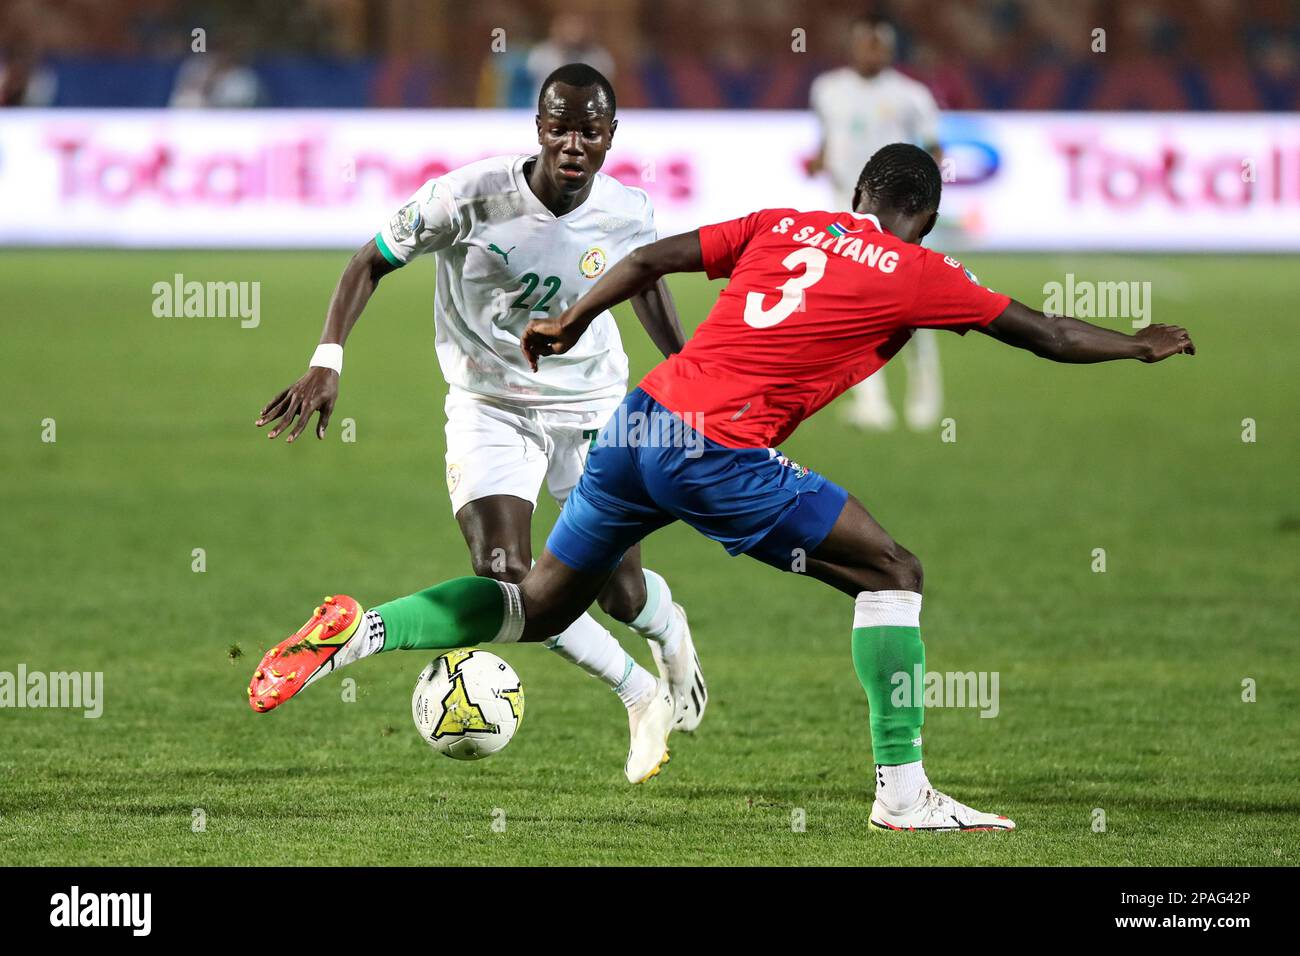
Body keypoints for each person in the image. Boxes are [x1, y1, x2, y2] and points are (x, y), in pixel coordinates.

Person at [248, 144, 1194, 829]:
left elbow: (653, 258)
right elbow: (1047, 334)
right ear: (923, 217)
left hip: (640, 421)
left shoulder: (788, 222)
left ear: (857, 191)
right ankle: (904, 797)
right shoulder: (918, 270)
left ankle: (357, 635)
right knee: (892, 571)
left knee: (534, 607)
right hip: (716, 451)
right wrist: (1140, 345)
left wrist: (574, 320)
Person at [253, 64, 707, 785]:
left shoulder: (628, 211)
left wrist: (692, 374)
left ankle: (670, 635)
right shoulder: (467, 197)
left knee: (622, 594)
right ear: (538, 128)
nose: (572, 144)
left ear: (610, 136)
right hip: (489, 404)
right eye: (559, 127)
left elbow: (645, 282)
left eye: (589, 130)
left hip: (591, 407)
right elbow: (369, 261)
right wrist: (327, 359)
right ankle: (636, 691)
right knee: (511, 577)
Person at [808, 17, 945, 432]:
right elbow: (828, 140)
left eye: (877, 44)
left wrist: (922, 200)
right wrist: (820, 160)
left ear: (889, 49)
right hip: (846, 208)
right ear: (853, 47)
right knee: (853, 305)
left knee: (913, 306)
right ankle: (872, 402)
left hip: (898, 214)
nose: (871, 51)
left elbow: (935, 150)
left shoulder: (912, 95)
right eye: (864, 43)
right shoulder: (827, 89)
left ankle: (925, 396)